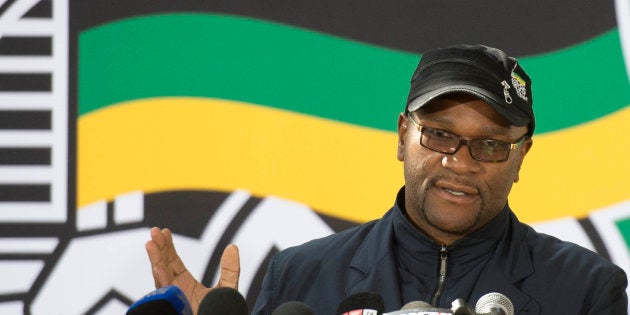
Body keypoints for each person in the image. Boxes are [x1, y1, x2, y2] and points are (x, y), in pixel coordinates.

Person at [145, 44, 628, 314]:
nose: (459, 163)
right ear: (403, 135)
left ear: (522, 156)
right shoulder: (299, 278)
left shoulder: (585, 291)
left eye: (489, 145)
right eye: (439, 135)